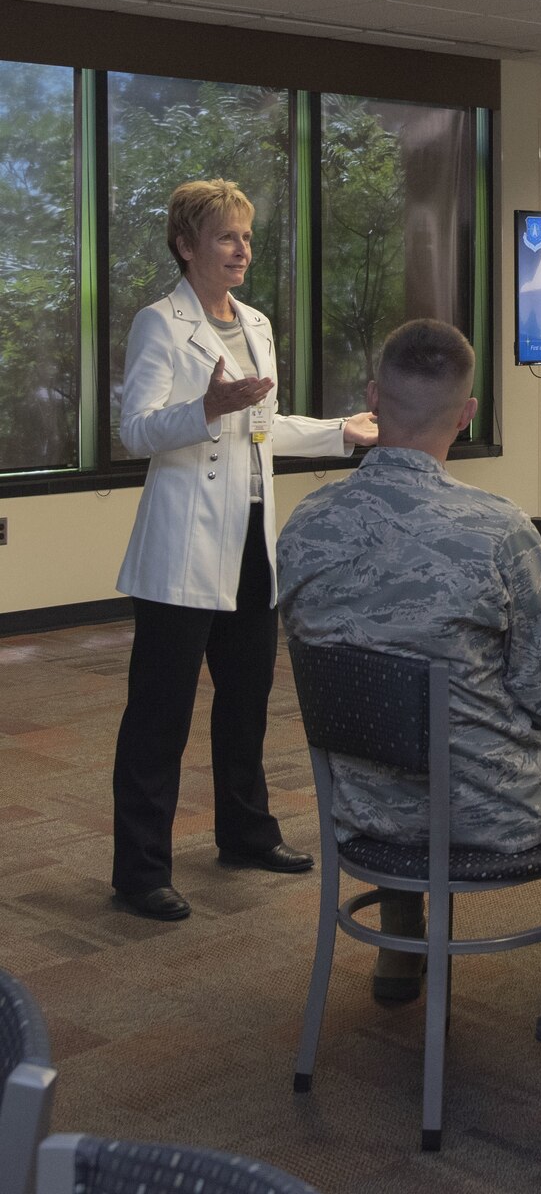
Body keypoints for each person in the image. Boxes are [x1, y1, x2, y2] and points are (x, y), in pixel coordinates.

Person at [278, 320, 541, 1046]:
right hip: (487, 811)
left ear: (372, 399)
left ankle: (398, 947)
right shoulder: (497, 532)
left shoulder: (305, 525)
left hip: (358, 804)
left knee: (402, 737)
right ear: (467, 414)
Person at [111, 179, 375, 923]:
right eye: (226, 237)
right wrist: (206, 409)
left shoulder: (255, 322)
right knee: (159, 715)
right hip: (181, 551)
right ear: (187, 244)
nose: (242, 250)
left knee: (248, 700)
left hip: (252, 545)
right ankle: (139, 870)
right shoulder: (159, 324)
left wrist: (338, 432)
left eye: (247, 237)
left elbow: (263, 427)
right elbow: (137, 431)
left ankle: (246, 832)